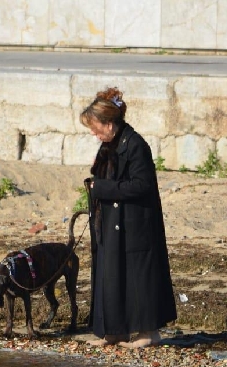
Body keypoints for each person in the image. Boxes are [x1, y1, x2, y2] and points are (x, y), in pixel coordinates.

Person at [79, 87, 177, 348]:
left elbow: (143, 185)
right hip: (112, 224)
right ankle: (114, 332)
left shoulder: (136, 145)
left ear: (109, 124)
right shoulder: (109, 145)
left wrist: (102, 189)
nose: (93, 132)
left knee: (138, 278)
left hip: (136, 225)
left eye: (95, 126)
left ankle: (148, 334)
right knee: (111, 276)